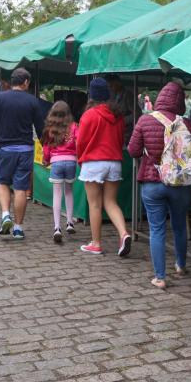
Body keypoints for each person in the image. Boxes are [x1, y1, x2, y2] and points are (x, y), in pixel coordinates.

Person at [128, 82, 191, 289]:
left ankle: (160, 277)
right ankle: (181, 265)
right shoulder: (186, 123)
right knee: (179, 226)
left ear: (160, 98)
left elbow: (133, 150)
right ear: (179, 101)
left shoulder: (144, 120)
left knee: (157, 229)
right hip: (180, 182)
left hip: (153, 182)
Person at [76, 77, 131, 256]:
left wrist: (80, 159)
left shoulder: (88, 115)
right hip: (114, 162)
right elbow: (120, 139)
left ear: (91, 95)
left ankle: (96, 243)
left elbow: (81, 142)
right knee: (111, 202)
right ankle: (123, 234)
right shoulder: (118, 116)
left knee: (95, 205)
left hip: (93, 162)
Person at [0, 67, 45, 240]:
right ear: (26, 82)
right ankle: (19, 228)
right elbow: (40, 129)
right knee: (20, 188)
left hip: (5, 148)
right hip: (26, 150)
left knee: (3, 182)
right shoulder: (33, 101)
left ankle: (6, 214)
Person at [42, 100, 78, 243]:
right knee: (69, 191)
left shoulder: (50, 128)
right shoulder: (74, 127)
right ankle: (70, 222)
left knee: (56, 195)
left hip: (56, 162)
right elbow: (78, 142)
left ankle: (57, 227)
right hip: (71, 162)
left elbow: (46, 147)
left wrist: (46, 159)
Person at [105, 74, 134, 144]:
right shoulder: (112, 95)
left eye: (112, 85)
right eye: (109, 86)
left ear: (118, 82)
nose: (111, 88)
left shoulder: (127, 95)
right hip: (115, 131)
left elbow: (136, 114)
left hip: (126, 132)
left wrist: (121, 120)